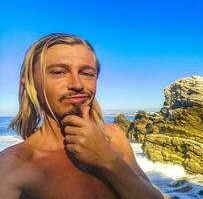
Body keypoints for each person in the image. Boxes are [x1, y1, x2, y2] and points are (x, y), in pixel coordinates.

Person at [0, 33, 164, 199]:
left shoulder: (114, 137)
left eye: (87, 73)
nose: (77, 85)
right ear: (29, 81)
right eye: (58, 72)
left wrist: (109, 160)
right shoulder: (14, 166)